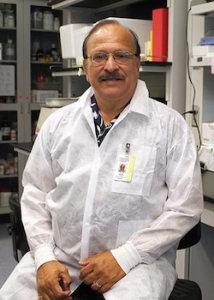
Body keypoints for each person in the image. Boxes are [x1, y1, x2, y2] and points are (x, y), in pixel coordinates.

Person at [0, 19, 203, 300]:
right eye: (99, 56)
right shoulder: (58, 124)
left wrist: (125, 257)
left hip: (138, 264)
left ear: (137, 63)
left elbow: (185, 207)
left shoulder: (169, 126)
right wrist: (45, 257)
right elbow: (35, 194)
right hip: (61, 257)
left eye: (121, 55)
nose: (110, 66)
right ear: (85, 67)